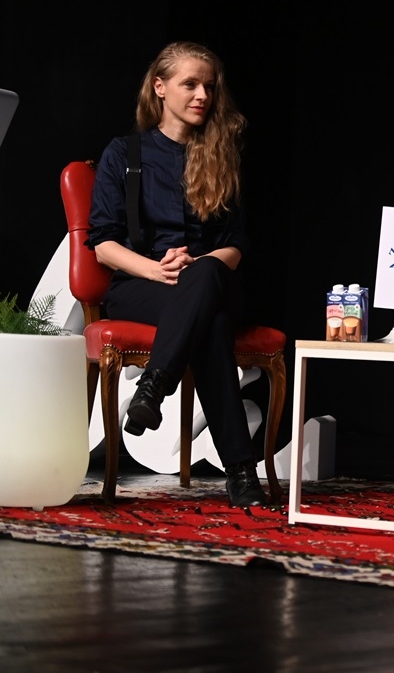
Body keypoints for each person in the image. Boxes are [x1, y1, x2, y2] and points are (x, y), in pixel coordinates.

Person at [86, 41, 268, 508]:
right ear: (160, 87)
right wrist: (156, 269)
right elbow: (103, 243)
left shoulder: (222, 155)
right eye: (190, 84)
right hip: (141, 285)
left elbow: (236, 245)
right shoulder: (123, 154)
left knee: (205, 278)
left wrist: (199, 267)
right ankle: (243, 474)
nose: (202, 94)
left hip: (213, 280)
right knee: (213, 327)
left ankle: (155, 385)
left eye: (209, 85)